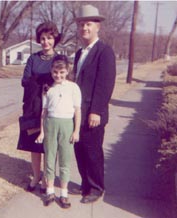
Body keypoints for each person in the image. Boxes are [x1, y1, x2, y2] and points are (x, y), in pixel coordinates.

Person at [73, 4, 116, 204]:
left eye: (88, 24)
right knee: (80, 150)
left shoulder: (104, 52)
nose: (84, 28)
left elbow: (105, 84)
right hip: (78, 114)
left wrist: (96, 111)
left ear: (97, 26)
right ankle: (86, 184)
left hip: (93, 113)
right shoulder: (80, 53)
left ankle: (97, 188)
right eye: (81, 24)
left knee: (92, 152)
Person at [17, 21, 61, 194]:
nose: (45, 42)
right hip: (33, 107)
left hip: (53, 109)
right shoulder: (33, 58)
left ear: (54, 39)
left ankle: (47, 178)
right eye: (42, 38)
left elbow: (61, 82)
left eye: (49, 38)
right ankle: (36, 176)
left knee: (50, 146)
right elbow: (25, 81)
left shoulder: (59, 60)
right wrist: (44, 81)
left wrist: (41, 81)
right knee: (35, 145)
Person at [36, 55, 81, 208]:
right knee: (49, 158)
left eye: (62, 72)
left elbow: (77, 111)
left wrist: (76, 131)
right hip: (51, 125)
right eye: (55, 72)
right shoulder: (48, 88)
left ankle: (64, 193)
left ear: (67, 71)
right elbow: (44, 112)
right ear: (51, 71)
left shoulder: (73, 87)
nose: (58, 75)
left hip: (67, 125)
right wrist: (42, 132)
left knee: (65, 160)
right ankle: (49, 191)